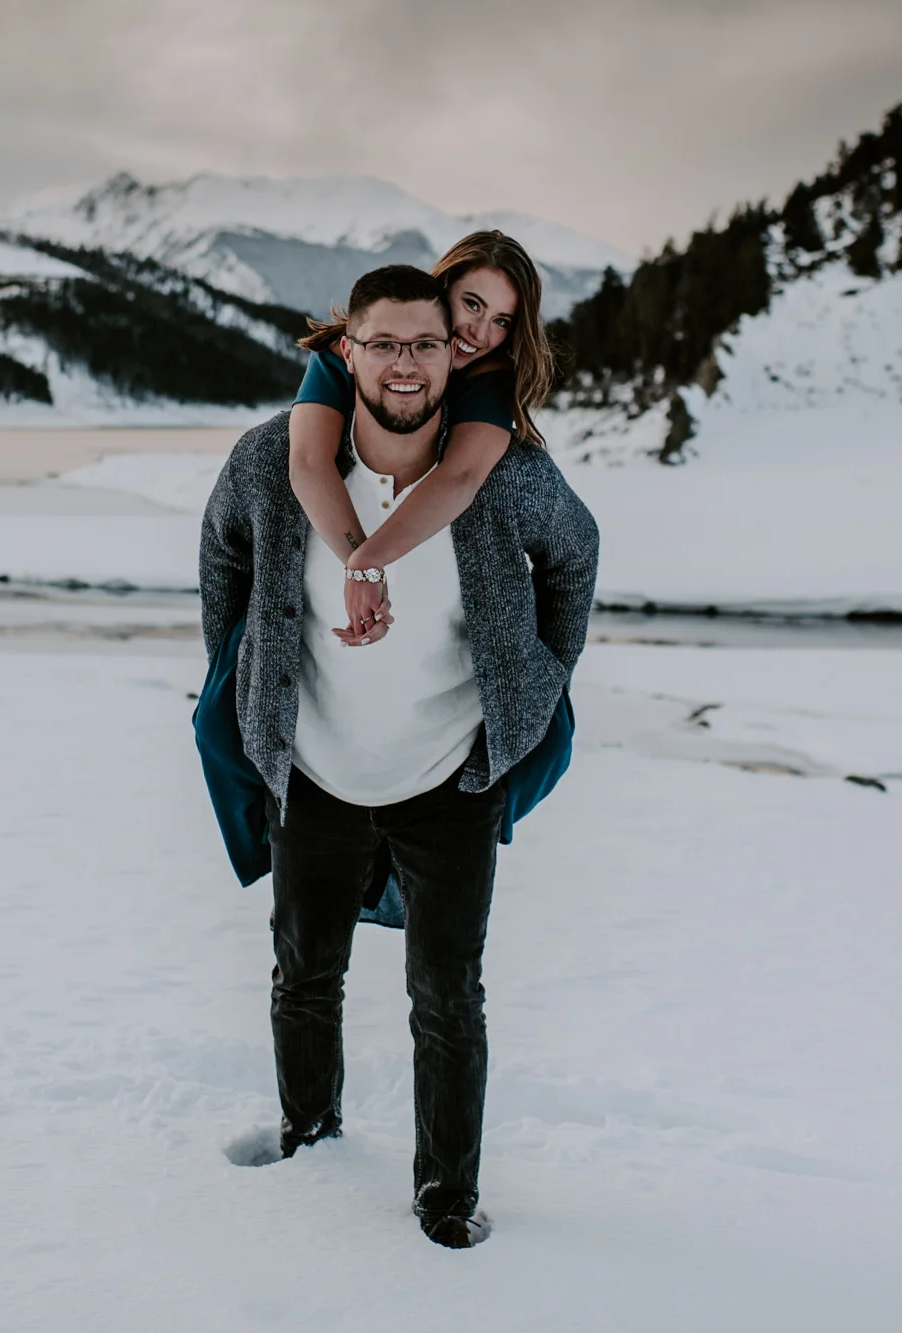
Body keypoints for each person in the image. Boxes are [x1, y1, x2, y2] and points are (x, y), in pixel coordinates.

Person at [194, 263, 600, 1250]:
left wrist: (535, 680)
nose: (413, 361)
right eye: (386, 343)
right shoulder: (275, 460)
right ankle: (309, 1130)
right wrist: (243, 676)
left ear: (459, 354)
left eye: (430, 341)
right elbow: (224, 556)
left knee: (447, 994)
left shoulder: (505, 472)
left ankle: (445, 1193)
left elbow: (575, 556)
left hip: (449, 776)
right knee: (304, 972)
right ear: (347, 349)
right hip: (317, 769)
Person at [286, 231, 553, 647]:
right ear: (442, 286)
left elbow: (461, 475)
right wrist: (360, 566)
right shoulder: (346, 354)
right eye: (472, 304)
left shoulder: (490, 377)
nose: (479, 333)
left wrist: (369, 562)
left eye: (502, 321)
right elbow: (307, 464)